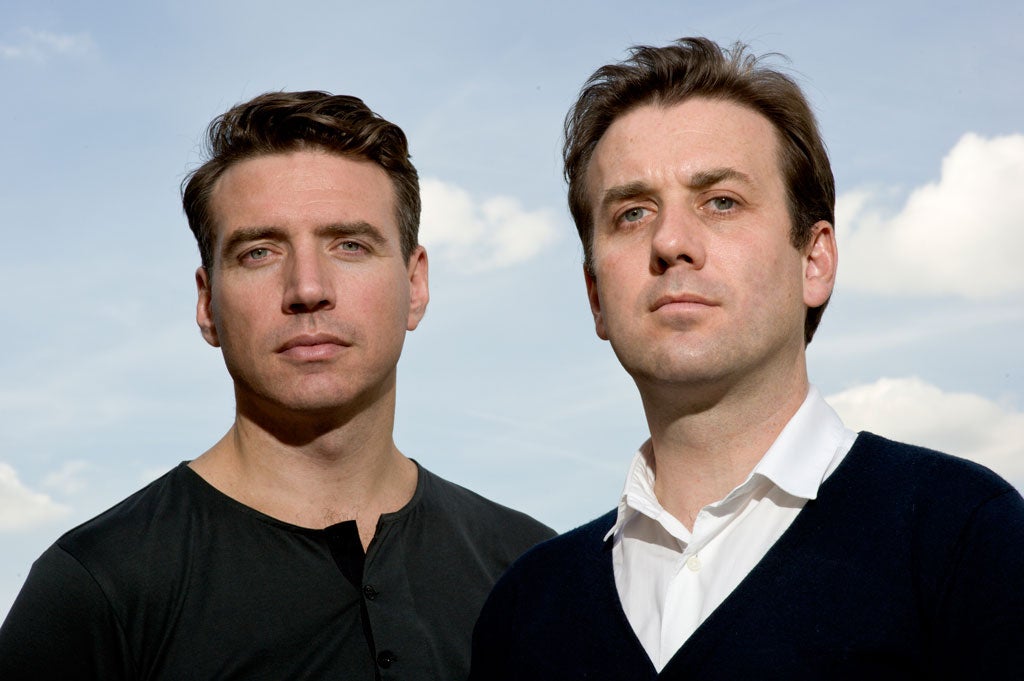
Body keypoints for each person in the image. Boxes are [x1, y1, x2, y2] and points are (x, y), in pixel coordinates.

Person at [470, 38, 1024, 680]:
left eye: (721, 202)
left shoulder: (962, 536)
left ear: (814, 261)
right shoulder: (524, 610)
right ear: (596, 296)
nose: (670, 242)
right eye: (632, 213)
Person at [0, 90, 554, 681]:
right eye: (259, 252)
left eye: (350, 245)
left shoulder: (531, 571)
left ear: (415, 285)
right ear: (208, 304)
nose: (307, 288)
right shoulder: (98, 587)